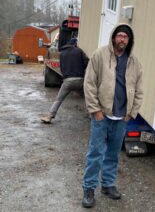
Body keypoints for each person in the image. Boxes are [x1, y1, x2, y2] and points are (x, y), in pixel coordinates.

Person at [81, 24, 143, 208]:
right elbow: (89, 83)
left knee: (113, 154)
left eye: (126, 37)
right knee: (95, 153)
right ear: (114, 37)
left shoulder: (135, 63)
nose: (122, 39)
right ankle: (89, 188)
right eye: (120, 35)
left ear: (129, 41)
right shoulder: (99, 55)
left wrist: (131, 113)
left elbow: (139, 90)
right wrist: (95, 110)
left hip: (121, 118)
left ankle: (107, 185)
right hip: (102, 116)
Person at [40, 37, 89, 123]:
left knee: (59, 99)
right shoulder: (79, 51)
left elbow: (61, 68)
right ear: (75, 44)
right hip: (80, 80)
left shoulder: (62, 53)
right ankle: (93, 115)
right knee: (88, 98)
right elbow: (87, 62)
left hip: (67, 81)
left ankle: (50, 116)